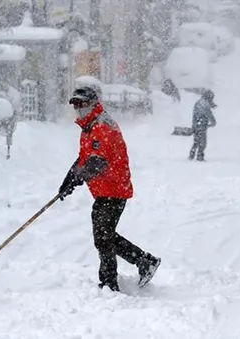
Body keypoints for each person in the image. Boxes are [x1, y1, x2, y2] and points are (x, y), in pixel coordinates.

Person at [58, 86, 161, 292]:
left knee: (103, 236)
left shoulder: (102, 126)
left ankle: (109, 282)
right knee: (104, 235)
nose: (79, 110)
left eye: (82, 105)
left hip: (114, 188)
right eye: (76, 106)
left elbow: (98, 162)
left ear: (93, 105)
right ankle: (144, 262)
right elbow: (84, 159)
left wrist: (79, 177)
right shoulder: (89, 128)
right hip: (105, 189)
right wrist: (68, 180)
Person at [189, 89, 217, 161]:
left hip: (196, 123)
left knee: (196, 140)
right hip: (201, 124)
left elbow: (208, 105)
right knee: (202, 142)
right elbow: (208, 113)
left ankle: (192, 155)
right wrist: (213, 121)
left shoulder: (200, 102)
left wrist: (213, 105)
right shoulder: (204, 103)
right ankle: (200, 156)